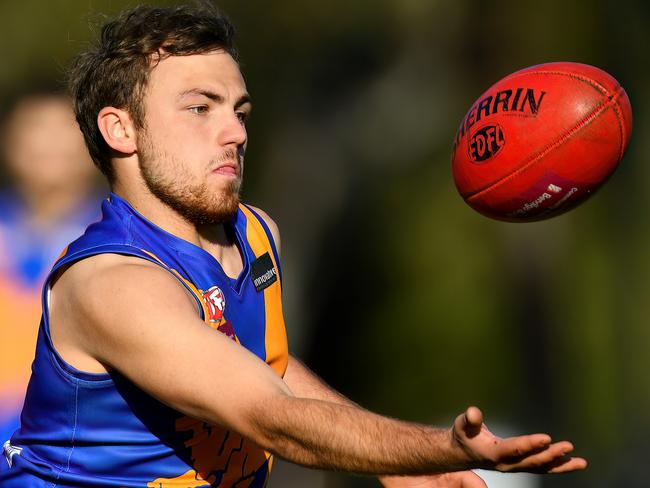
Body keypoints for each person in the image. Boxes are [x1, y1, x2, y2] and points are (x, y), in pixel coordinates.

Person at [0, 4, 587, 487]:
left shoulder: (253, 235)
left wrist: (401, 471)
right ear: (120, 130)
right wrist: (434, 449)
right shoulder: (114, 284)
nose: (234, 132)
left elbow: (264, 363)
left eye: (239, 110)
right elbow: (271, 418)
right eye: (199, 109)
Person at [0, 89, 102, 445]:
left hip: (67, 450)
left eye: (63, 130)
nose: (49, 145)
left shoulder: (114, 241)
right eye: (35, 129)